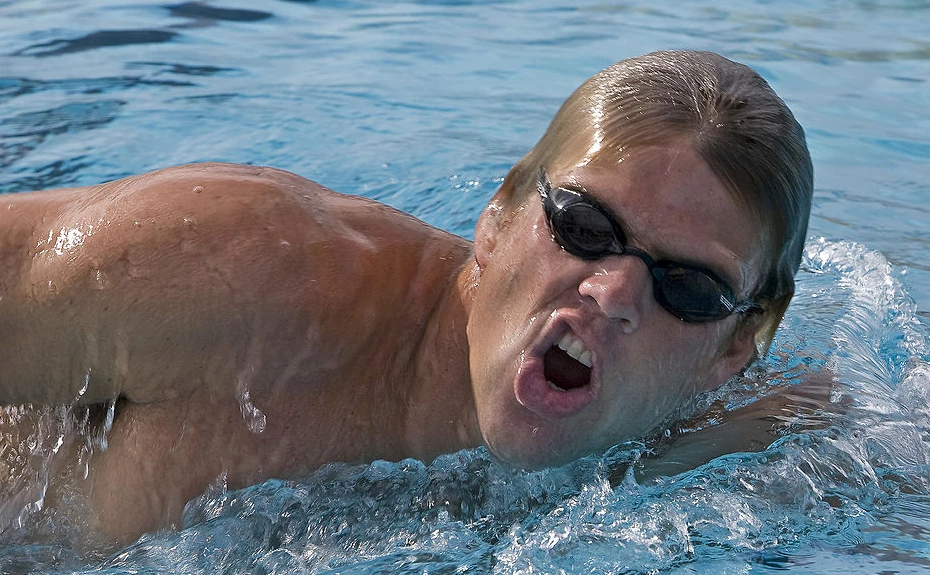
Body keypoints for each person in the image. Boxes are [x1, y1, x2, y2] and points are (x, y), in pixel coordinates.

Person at [0, 50, 813, 545]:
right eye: (585, 225)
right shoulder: (240, 274)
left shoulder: (721, 442)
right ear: (495, 219)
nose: (613, 293)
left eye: (688, 287)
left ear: (732, 349)